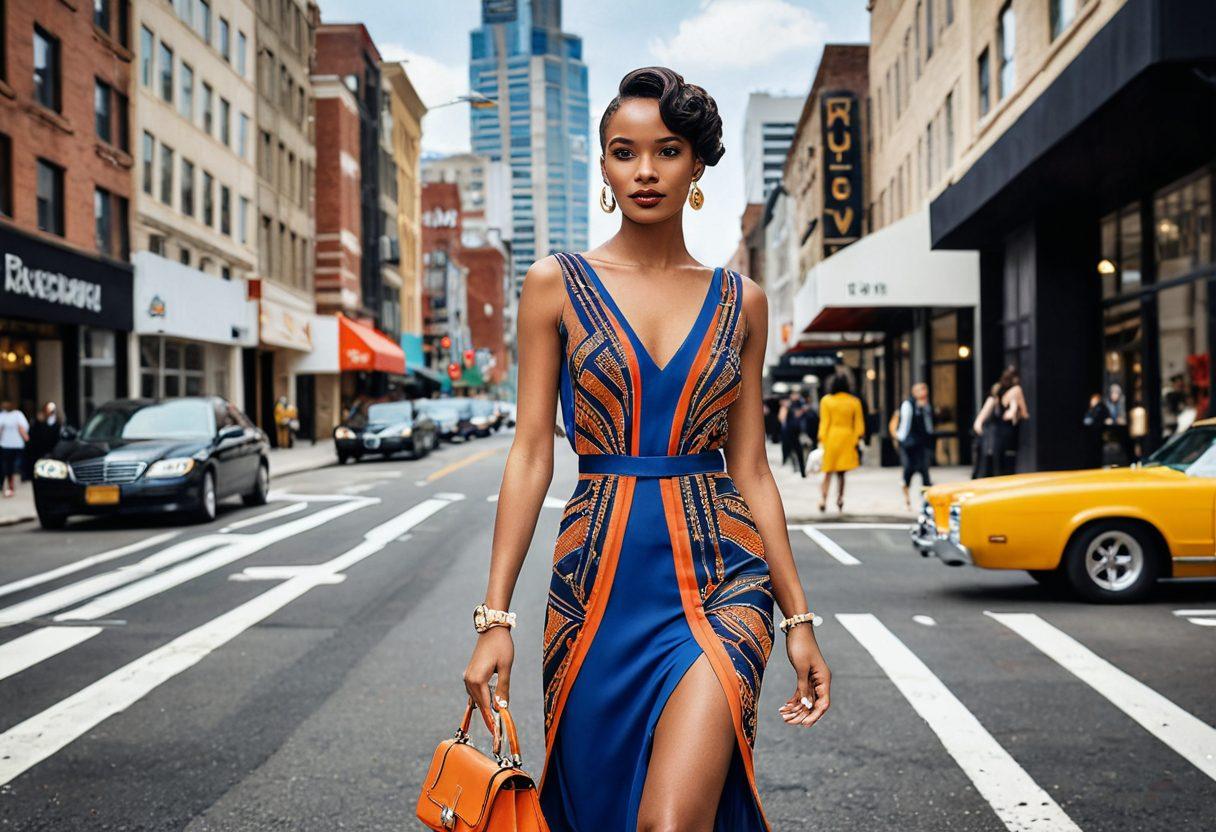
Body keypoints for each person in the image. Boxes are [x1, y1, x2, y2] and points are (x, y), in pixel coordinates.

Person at [461, 66, 829, 832]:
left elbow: (752, 467)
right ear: (603, 166)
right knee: (596, 809)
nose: (645, 170)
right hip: (596, 585)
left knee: (671, 824)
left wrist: (798, 620)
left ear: (695, 165)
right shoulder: (554, 285)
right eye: (624, 152)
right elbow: (531, 453)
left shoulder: (744, 302)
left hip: (722, 581)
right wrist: (495, 616)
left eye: (666, 151)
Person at [816, 373, 865, 512]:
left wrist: (821, 439)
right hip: (847, 438)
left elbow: (824, 422)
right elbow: (859, 424)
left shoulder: (826, 400)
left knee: (827, 471)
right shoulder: (854, 401)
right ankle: (840, 499)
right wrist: (857, 438)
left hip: (831, 438)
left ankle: (823, 499)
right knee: (842, 473)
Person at [973, 365, 1028, 477]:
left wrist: (979, 426)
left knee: (999, 463)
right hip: (1005, 433)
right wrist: (1014, 413)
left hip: (997, 434)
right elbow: (1021, 412)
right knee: (1005, 463)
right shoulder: (1015, 391)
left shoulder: (995, 398)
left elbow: (980, 419)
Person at [895, 382, 935, 509]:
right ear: (914, 392)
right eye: (920, 390)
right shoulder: (908, 404)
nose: (923, 393)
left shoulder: (927, 405)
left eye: (925, 390)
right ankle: (907, 499)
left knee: (925, 472)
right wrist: (900, 439)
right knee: (908, 471)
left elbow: (929, 426)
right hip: (909, 445)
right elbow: (904, 424)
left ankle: (925, 501)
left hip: (922, 444)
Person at [0, 401, 30, 498]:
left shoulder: (17, 414)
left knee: (12, 466)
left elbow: (23, 427)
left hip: (15, 444)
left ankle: (11, 485)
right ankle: (9, 486)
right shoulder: (4, 415)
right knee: (8, 466)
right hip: (6, 444)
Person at [26, 402, 62, 478]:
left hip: (53, 449)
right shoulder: (39, 422)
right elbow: (34, 435)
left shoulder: (57, 423)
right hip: (40, 449)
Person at [780, 391, 808, 477]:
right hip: (790, 432)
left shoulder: (801, 404)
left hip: (799, 432)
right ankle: (795, 467)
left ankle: (802, 471)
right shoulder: (789, 406)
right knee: (792, 450)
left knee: (799, 452)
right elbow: (782, 418)